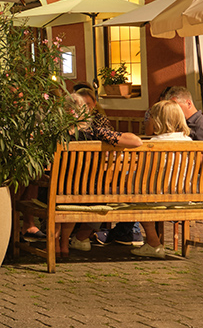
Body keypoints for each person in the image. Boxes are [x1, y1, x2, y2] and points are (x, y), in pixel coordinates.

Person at [57, 91, 142, 256]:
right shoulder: (96, 132)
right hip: (92, 192)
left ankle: (58, 244)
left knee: (55, 193)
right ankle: (77, 238)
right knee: (97, 194)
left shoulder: (58, 135)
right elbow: (136, 141)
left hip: (62, 193)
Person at [130, 100, 193, 259]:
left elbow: (144, 174)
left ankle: (153, 243)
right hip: (186, 197)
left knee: (136, 196)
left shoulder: (154, 143)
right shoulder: (189, 141)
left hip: (159, 197)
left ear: (157, 120)